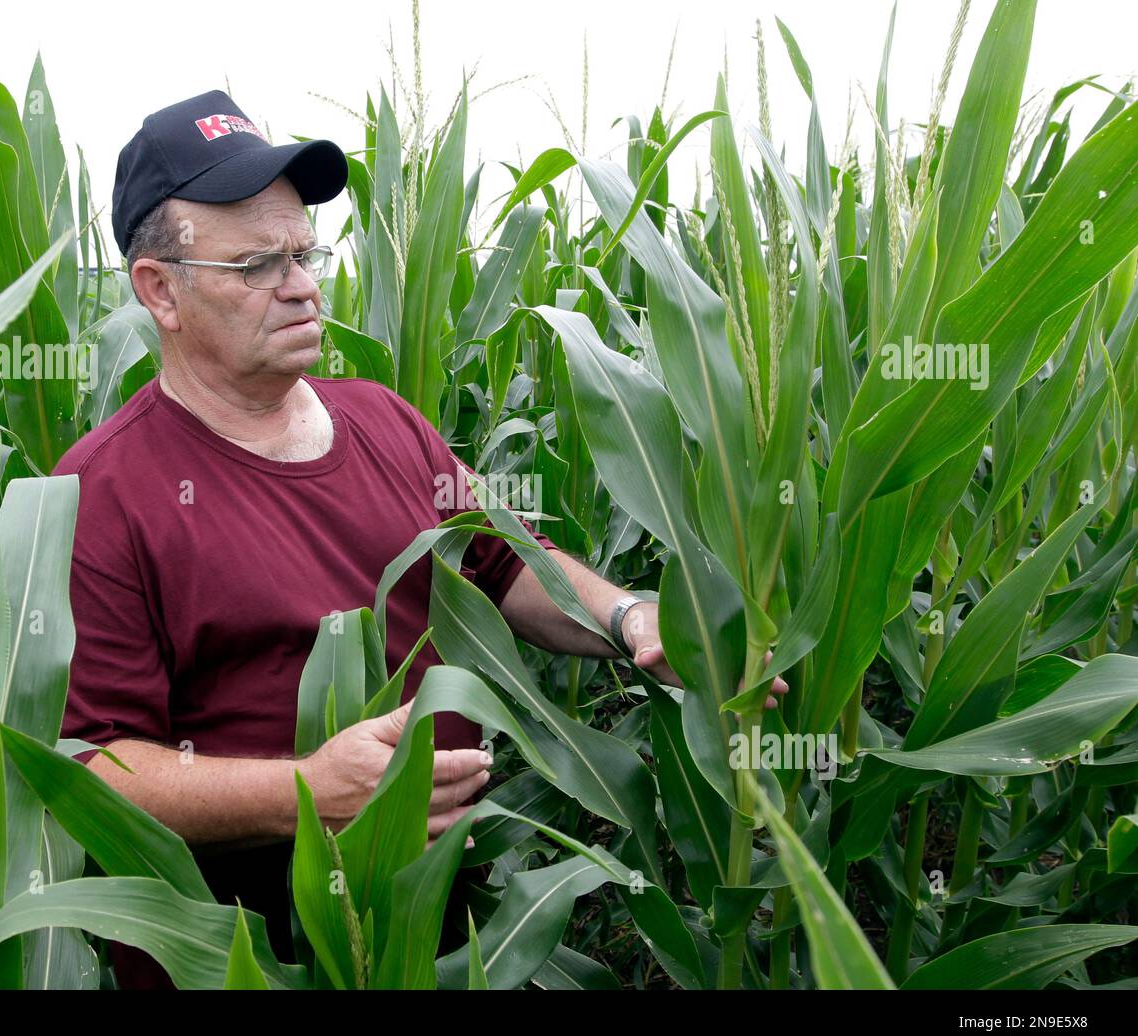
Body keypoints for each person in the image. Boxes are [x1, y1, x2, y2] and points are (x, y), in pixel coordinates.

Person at [54, 90, 784, 988]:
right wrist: (307, 793)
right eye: (257, 264)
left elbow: (507, 563)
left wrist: (633, 618)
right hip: (241, 959)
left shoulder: (384, 422)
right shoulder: (99, 491)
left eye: (306, 251)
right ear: (161, 289)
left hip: (436, 934)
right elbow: (93, 767)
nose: (301, 283)